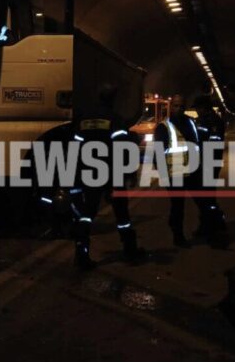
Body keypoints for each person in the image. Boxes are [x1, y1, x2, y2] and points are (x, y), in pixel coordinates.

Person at [72, 84, 143, 270]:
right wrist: (129, 174)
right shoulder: (115, 119)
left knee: (87, 214)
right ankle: (130, 252)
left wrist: (76, 174)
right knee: (122, 215)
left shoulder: (84, 119)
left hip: (90, 173)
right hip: (112, 174)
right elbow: (122, 150)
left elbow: (75, 148)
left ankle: (81, 254)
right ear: (113, 99)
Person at [155, 95, 226, 247]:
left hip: (193, 172)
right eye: (176, 106)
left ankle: (211, 233)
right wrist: (163, 175)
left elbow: (200, 144)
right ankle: (178, 237)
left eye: (181, 106)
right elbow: (158, 152)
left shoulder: (192, 123)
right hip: (175, 174)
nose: (179, 109)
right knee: (178, 207)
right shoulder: (164, 127)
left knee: (204, 203)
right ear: (171, 107)